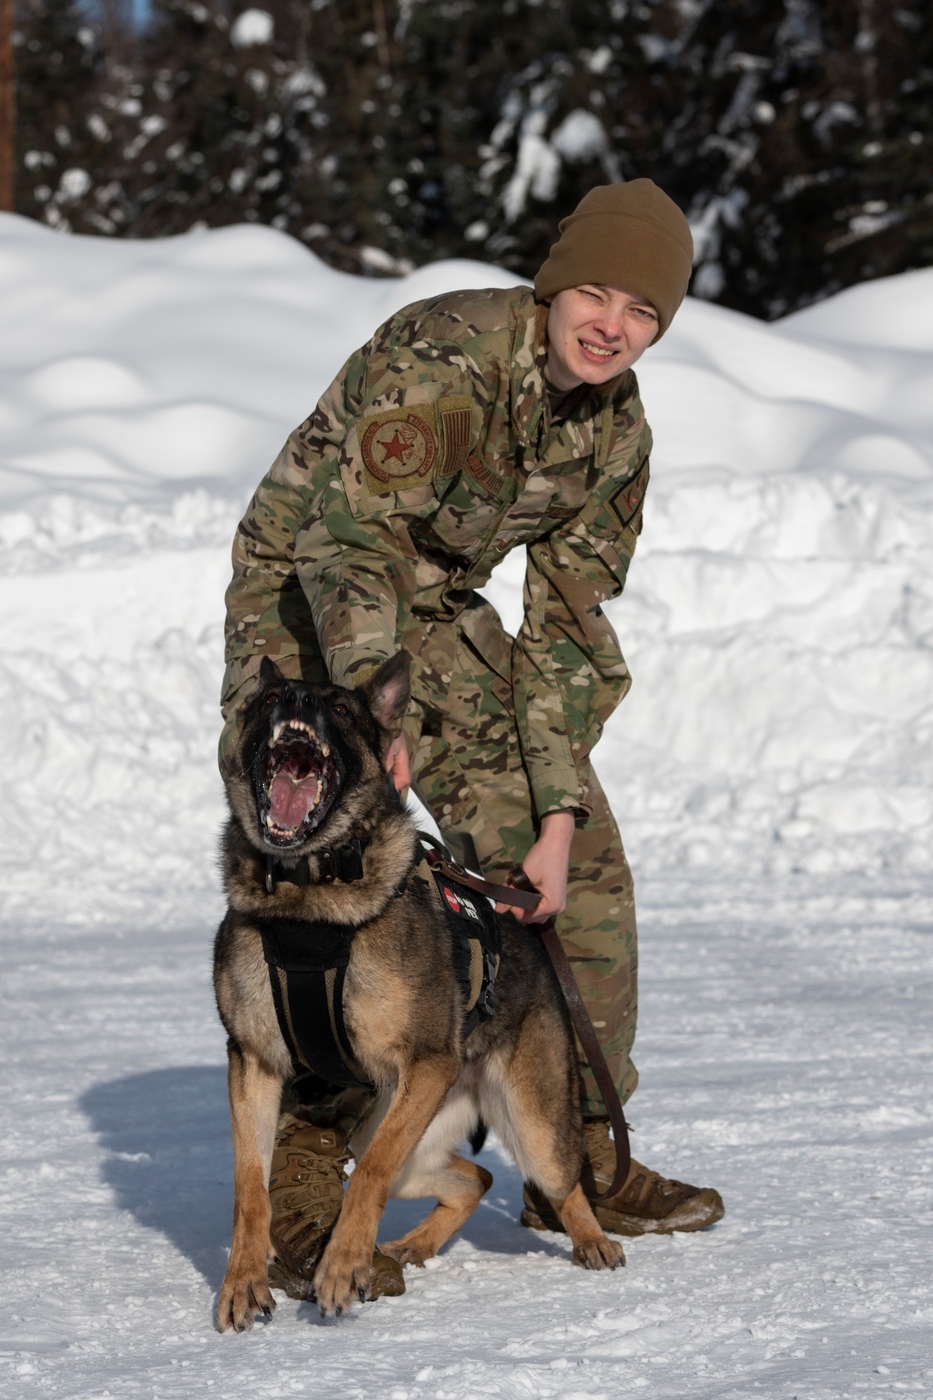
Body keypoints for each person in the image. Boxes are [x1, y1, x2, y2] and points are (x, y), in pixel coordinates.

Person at [219, 178, 724, 1298]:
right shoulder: (444, 350)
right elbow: (344, 547)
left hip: (432, 614)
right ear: (553, 285)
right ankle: (304, 1190)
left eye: (642, 310)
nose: (612, 323)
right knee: (324, 888)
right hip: (306, 605)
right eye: (594, 290)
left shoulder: (615, 430)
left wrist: (549, 815)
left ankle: (571, 1152)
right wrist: (367, 721)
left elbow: (564, 629)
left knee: (579, 866)